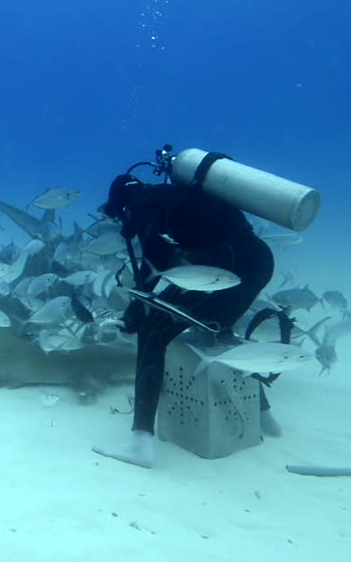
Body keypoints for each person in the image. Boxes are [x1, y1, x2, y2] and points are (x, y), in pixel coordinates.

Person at [91, 171, 277, 468]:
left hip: (225, 270)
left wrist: (134, 315)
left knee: (154, 332)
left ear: (122, 203)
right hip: (254, 262)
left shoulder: (141, 205)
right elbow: (179, 265)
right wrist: (136, 311)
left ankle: (140, 442)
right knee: (216, 330)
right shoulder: (172, 195)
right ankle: (265, 417)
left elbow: (156, 263)